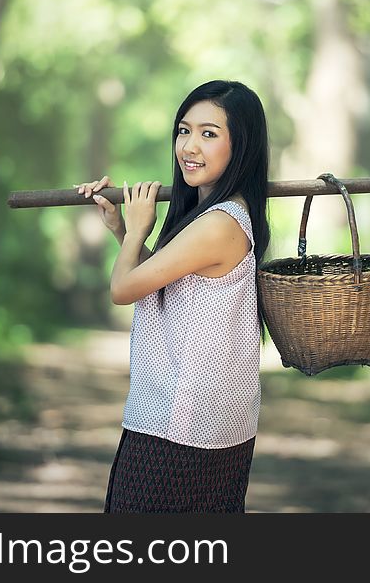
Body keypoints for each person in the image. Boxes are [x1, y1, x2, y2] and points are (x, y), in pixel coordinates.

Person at [75, 79, 271, 513]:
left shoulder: (221, 223)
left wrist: (141, 226)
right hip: (199, 425)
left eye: (210, 133)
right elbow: (161, 279)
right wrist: (123, 231)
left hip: (179, 428)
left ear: (241, 147)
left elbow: (123, 290)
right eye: (184, 130)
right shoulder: (213, 217)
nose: (190, 147)